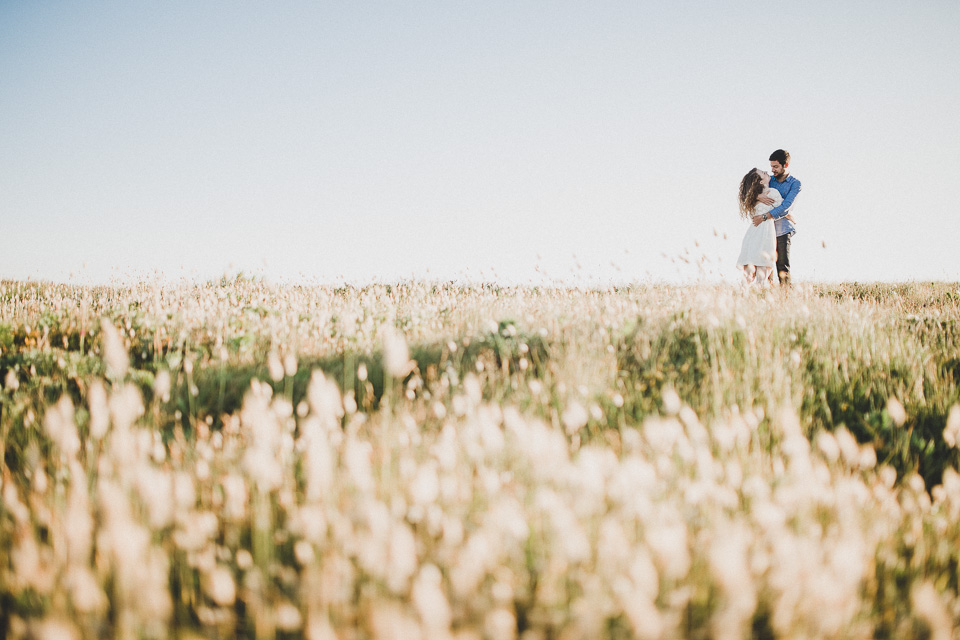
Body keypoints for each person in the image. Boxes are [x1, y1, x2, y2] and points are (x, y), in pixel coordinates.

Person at [752, 149, 801, 285]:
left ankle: (785, 297)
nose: (772, 170)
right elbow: (748, 193)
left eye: (775, 166)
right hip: (765, 230)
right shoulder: (768, 180)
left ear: (785, 165)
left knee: (782, 266)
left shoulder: (795, 184)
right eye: (771, 166)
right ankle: (768, 297)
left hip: (782, 229)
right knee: (765, 265)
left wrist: (765, 216)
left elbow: (786, 206)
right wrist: (758, 196)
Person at [736, 168, 782, 287]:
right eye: (764, 173)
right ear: (761, 182)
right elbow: (781, 208)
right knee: (760, 265)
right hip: (763, 230)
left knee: (754, 264)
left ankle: (746, 292)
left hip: (756, 230)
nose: (767, 172)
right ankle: (755, 291)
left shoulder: (753, 197)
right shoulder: (771, 193)